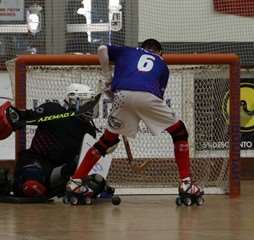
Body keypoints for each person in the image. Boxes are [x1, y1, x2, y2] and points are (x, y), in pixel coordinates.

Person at [66, 39, 204, 206]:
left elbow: (102, 49)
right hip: (147, 97)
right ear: (160, 53)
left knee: (106, 141)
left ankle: (76, 182)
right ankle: (186, 183)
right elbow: (150, 99)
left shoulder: (128, 51)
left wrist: (108, 79)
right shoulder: (162, 65)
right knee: (179, 132)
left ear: (141, 48)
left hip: (122, 95)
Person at [0, 83, 115, 203]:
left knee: (94, 180)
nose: (91, 109)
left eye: (92, 105)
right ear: (76, 102)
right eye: (88, 104)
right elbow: (24, 117)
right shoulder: (52, 110)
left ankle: (74, 190)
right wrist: (12, 116)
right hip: (36, 161)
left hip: (58, 171)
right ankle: (9, 184)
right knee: (32, 187)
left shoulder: (89, 131)